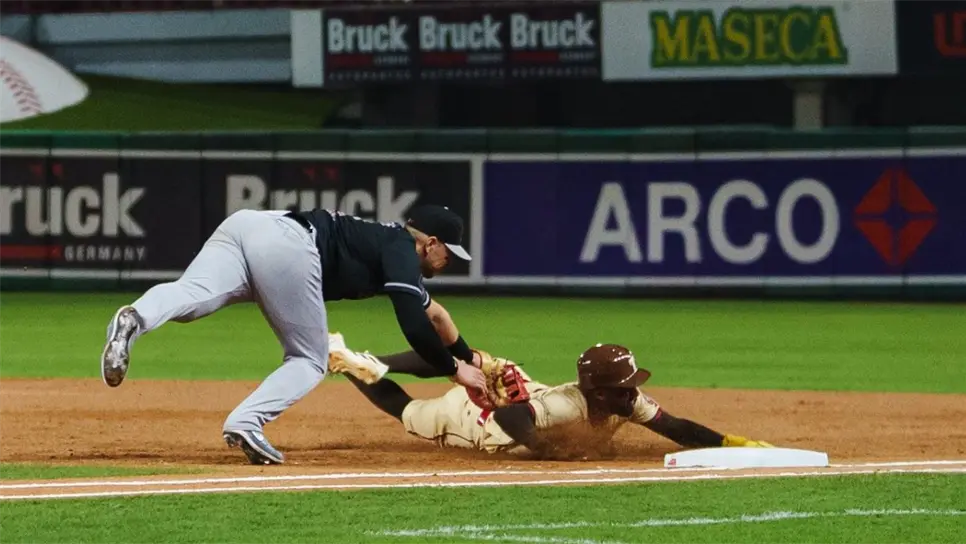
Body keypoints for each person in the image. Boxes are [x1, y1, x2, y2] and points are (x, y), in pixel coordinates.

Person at [99, 205, 486, 465]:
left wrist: (471, 360)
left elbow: (435, 317)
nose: (450, 261)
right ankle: (246, 422)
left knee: (193, 298)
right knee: (309, 359)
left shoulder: (394, 249)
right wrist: (453, 369)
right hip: (291, 248)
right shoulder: (403, 249)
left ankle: (135, 317)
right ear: (430, 243)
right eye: (449, 252)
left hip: (250, 225)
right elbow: (412, 321)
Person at [329, 338, 774, 459]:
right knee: (408, 409)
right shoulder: (571, 405)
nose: (633, 391)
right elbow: (511, 421)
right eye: (624, 385)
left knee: (481, 362)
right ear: (599, 391)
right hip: (480, 423)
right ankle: (353, 363)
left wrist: (728, 443)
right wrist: (545, 453)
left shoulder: (623, 399)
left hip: (521, 392)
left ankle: (368, 360)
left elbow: (674, 426)